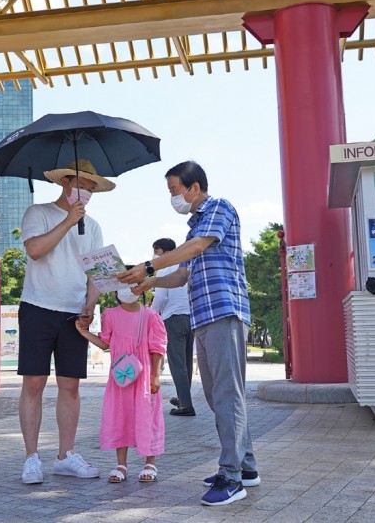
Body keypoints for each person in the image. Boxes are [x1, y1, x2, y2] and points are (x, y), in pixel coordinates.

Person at [117, 161, 257, 507]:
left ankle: (231, 476)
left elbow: (195, 249)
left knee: (227, 394)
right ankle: (247, 467)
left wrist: (150, 266)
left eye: (174, 190)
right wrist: (150, 281)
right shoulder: (193, 226)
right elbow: (182, 274)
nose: (173, 198)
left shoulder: (217, 208)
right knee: (217, 394)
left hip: (225, 311)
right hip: (204, 317)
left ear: (194, 188)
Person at [17, 159, 115, 484]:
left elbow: (98, 273)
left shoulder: (96, 226)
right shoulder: (39, 213)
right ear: (66, 182)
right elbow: (34, 250)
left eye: (91, 187)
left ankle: (65, 455)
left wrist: (90, 305)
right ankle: (32, 457)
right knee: (34, 383)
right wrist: (69, 221)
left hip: (74, 313)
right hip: (37, 307)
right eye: (81, 184)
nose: (85, 191)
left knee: (70, 386)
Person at [76, 288, 167, 483]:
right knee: (120, 415)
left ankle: (150, 463)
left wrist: (155, 376)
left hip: (144, 377)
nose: (128, 289)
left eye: (133, 284)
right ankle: (121, 464)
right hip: (121, 378)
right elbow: (104, 343)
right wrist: (84, 332)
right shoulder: (110, 314)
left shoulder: (150, 316)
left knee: (147, 416)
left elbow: (157, 347)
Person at [149, 238, 195, 416]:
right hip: (191, 318)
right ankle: (183, 397)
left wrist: (151, 315)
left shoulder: (164, 269)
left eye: (156, 252)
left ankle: (185, 405)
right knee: (187, 362)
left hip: (173, 319)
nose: (155, 256)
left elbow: (161, 298)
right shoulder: (185, 269)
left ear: (164, 252)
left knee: (177, 364)